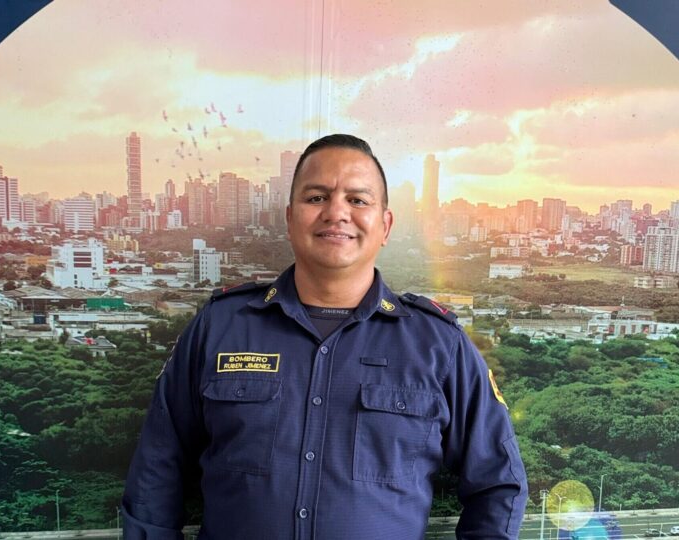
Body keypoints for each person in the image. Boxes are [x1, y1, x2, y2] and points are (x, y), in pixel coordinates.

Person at [122, 134, 528, 539]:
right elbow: (158, 469)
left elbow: (498, 484)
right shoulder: (221, 326)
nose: (336, 212)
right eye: (316, 197)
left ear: (385, 225)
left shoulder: (438, 344)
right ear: (289, 217)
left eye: (358, 200)